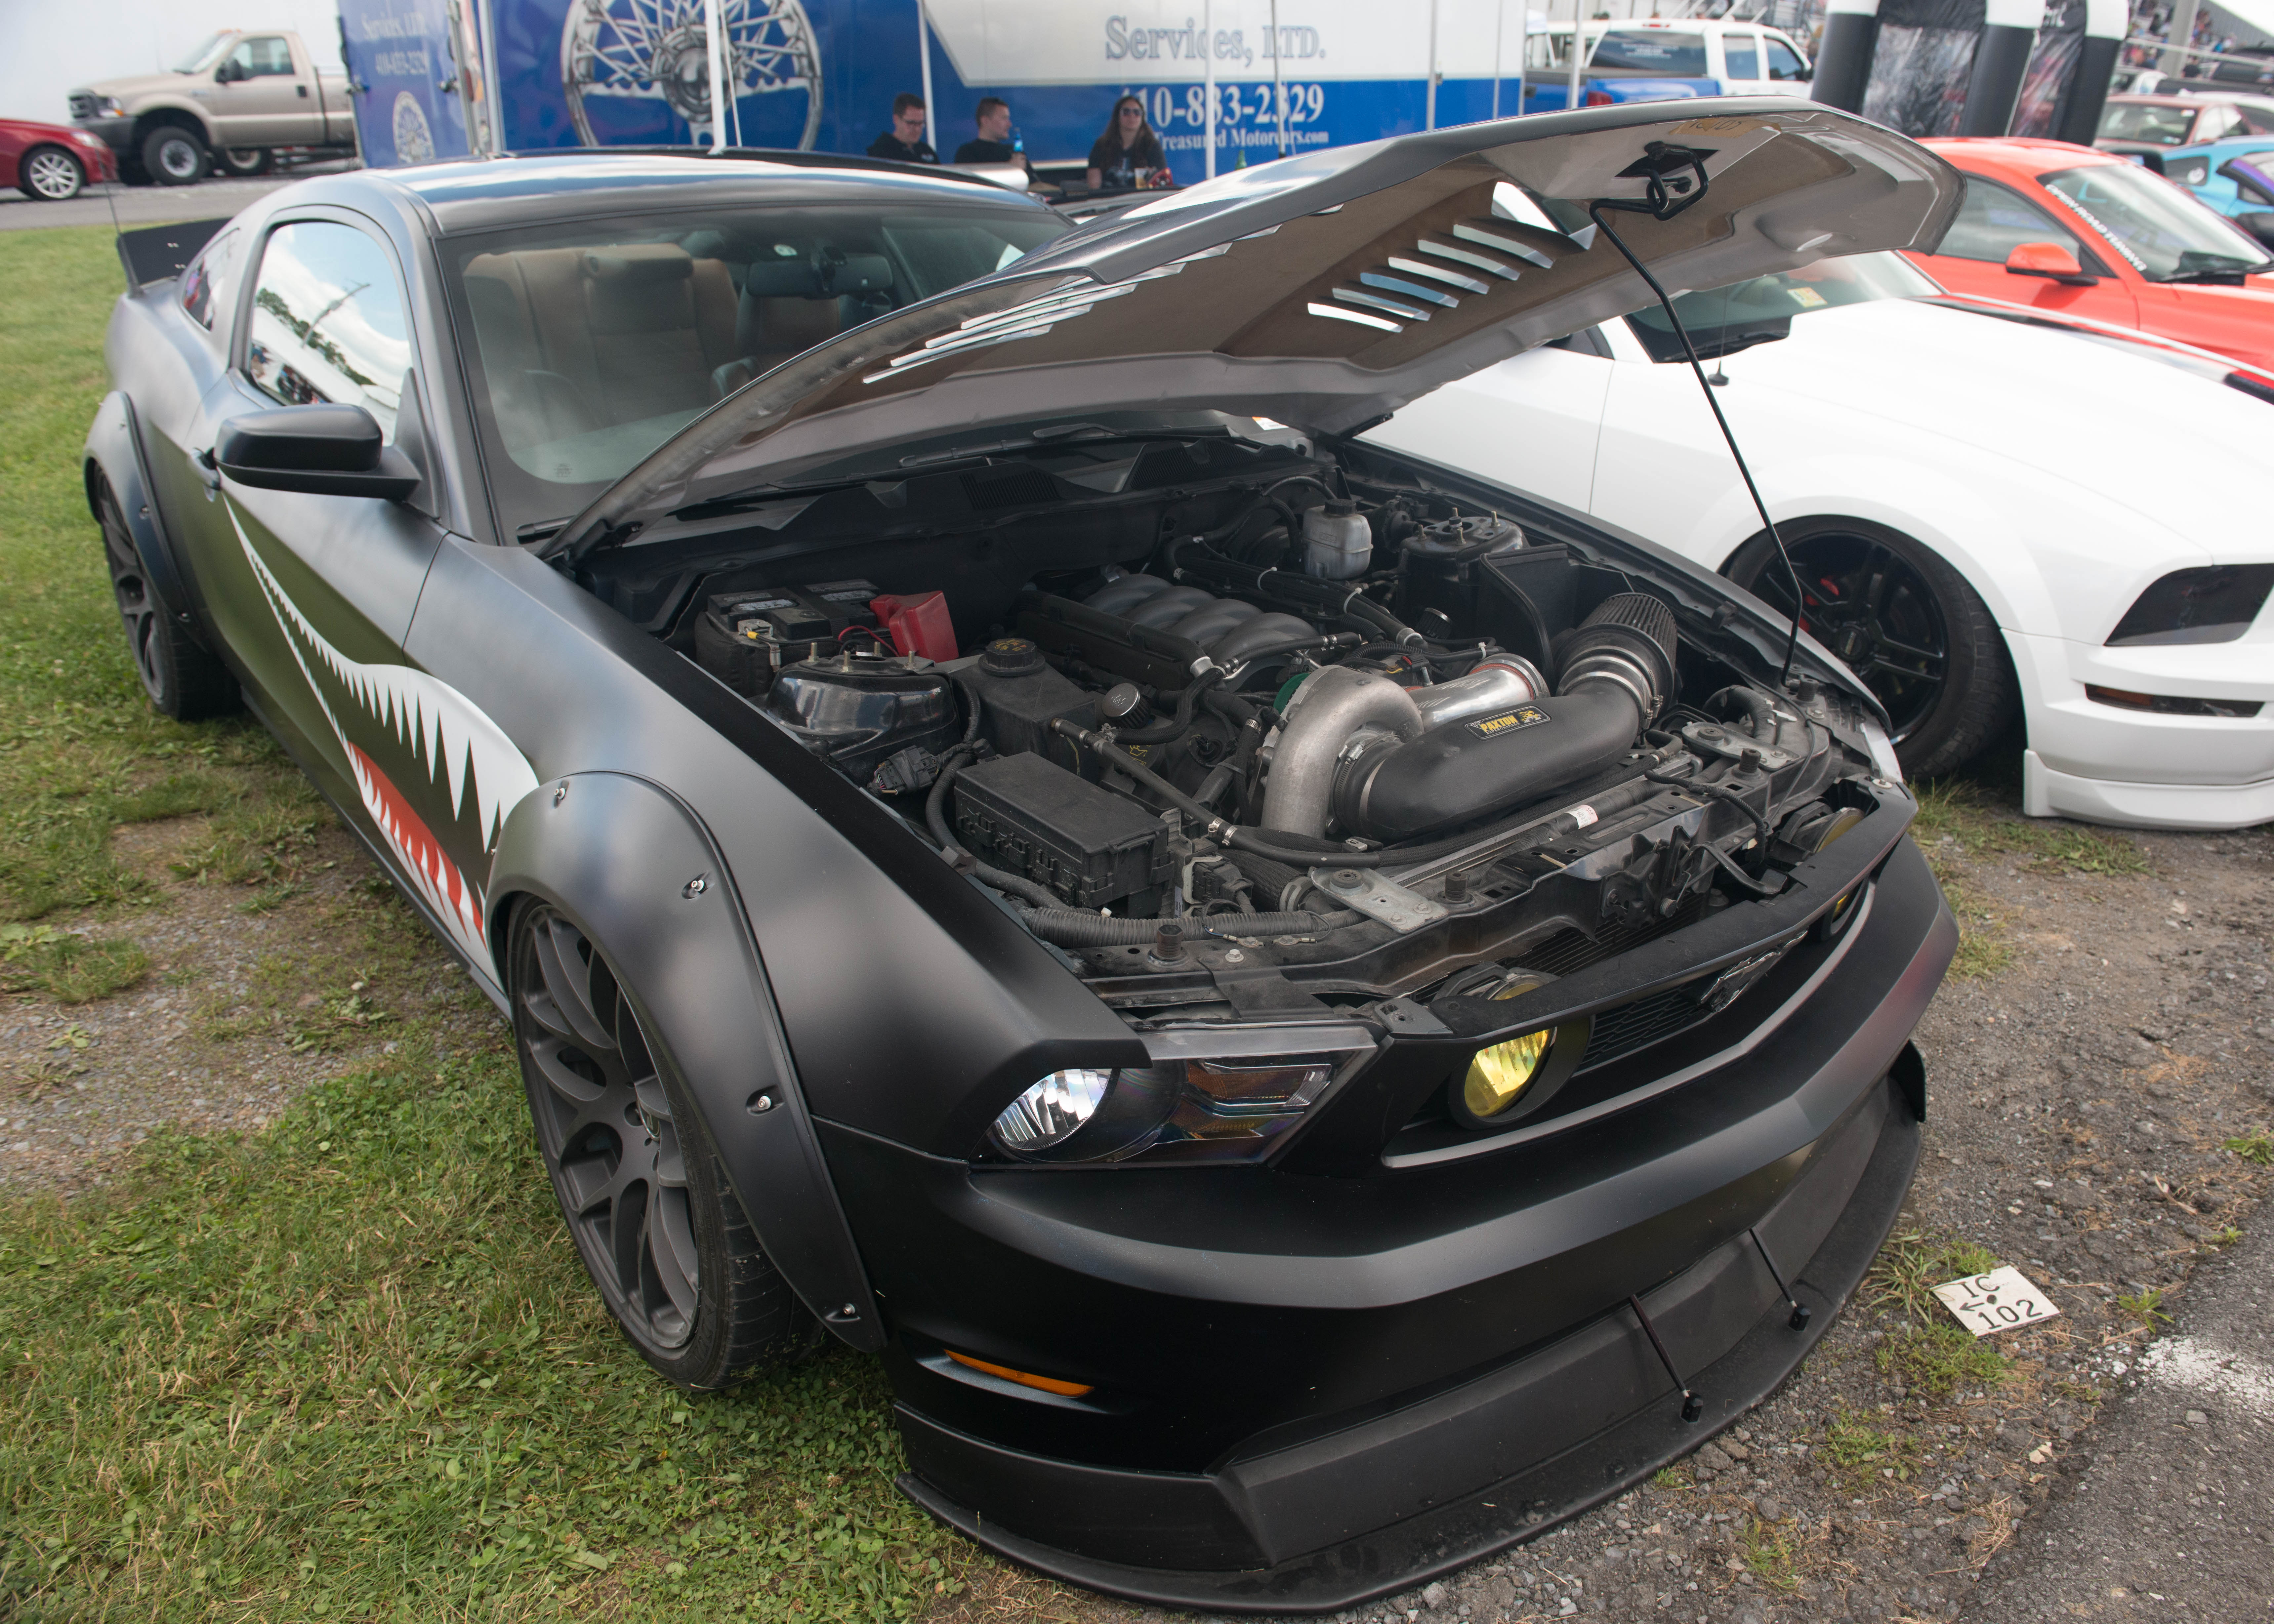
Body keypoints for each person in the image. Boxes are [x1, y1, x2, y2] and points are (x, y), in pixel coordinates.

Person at [1086, 94, 1166, 191]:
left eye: (1137, 113)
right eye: (1126, 112)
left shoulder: (1152, 146)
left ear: (1142, 118)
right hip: (1108, 201)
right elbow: (1094, 185)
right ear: (1117, 117)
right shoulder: (1102, 145)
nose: (1132, 116)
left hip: (1141, 202)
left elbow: (1162, 183)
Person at [954, 96, 1028, 170]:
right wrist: (1010, 167)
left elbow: (1035, 181)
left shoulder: (1013, 152)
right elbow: (974, 180)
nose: (1010, 124)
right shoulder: (968, 152)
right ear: (986, 121)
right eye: (1004, 118)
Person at [867, 93, 937, 163]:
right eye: (911, 124)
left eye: (920, 124)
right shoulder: (881, 153)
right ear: (896, 120)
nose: (917, 129)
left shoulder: (927, 152)